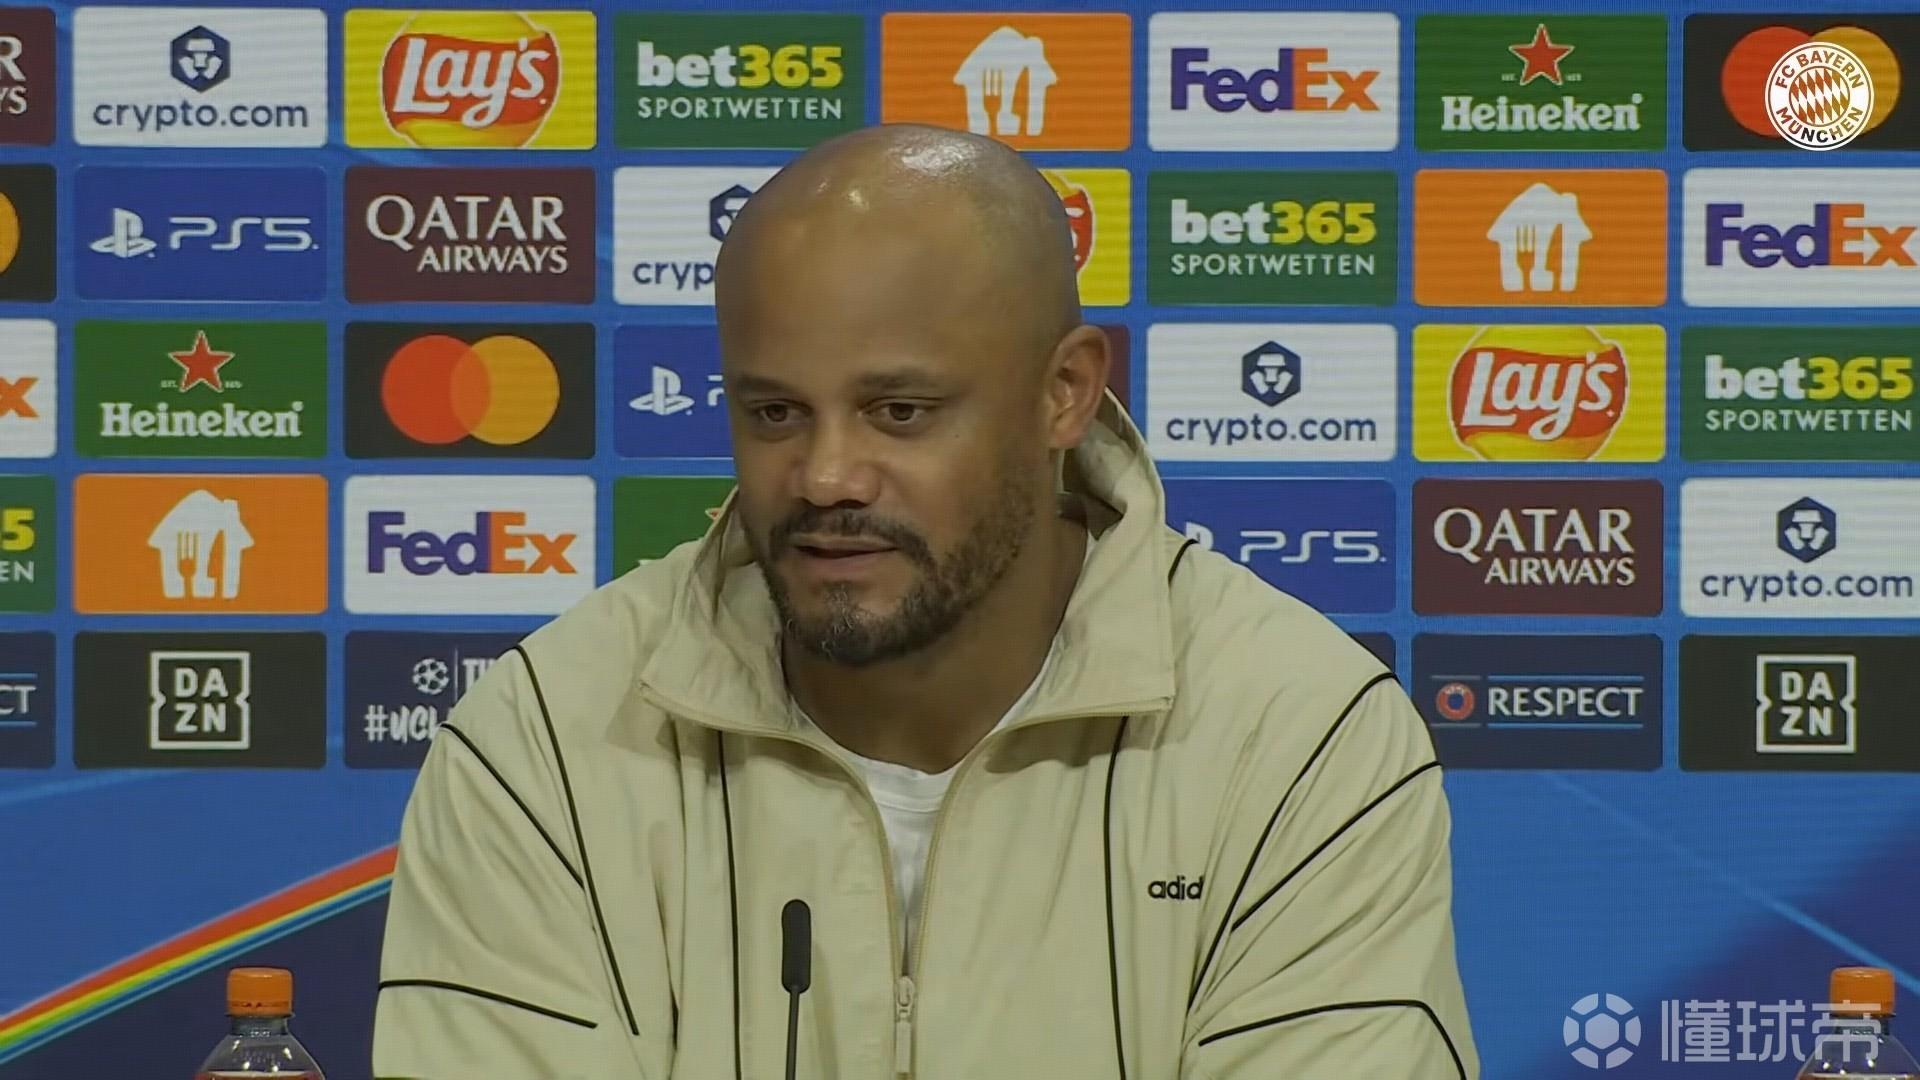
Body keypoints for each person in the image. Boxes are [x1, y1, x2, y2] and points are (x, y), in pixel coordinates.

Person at [371, 123, 1479, 1079]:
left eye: (899, 412)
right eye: (774, 413)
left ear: (1063, 393)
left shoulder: (1296, 737)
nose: (826, 477)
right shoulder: (547, 740)